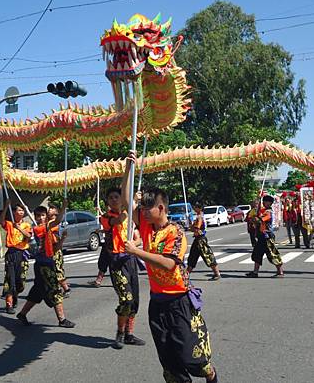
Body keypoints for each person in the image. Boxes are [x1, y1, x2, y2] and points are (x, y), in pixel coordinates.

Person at [122, 151, 218, 383]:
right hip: (158, 301)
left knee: (190, 356)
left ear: (161, 208)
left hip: (179, 302)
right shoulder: (146, 225)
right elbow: (126, 201)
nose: (143, 212)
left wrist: (136, 251)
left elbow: (167, 264)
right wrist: (128, 169)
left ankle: (210, 374)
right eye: (142, 209)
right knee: (168, 359)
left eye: (148, 208)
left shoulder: (175, 231)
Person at [98, 187, 145, 349]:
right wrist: (133, 201)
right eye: (110, 197)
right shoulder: (105, 217)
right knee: (126, 299)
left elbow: (139, 239)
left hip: (130, 260)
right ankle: (120, 332)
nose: (113, 200)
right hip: (116, 263)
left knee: (135, 302)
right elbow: (117, 221)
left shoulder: (130, 219)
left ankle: (129, 334)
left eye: (116, 197)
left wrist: (133, 245)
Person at [16, 202, 75, 328]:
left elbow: (56, 249)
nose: (40, 218)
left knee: (37, 292)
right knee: (54, 291)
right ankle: (62, 319)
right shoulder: (39, 229)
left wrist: (63, 238)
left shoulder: (48, 230)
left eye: (43, 215)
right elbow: (57, 221)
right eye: (38, 216)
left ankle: (22, 314)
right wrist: (63, 207)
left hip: (47, 263)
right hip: (44, 266)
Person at [0, 201, 32, 314]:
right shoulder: (9, 224)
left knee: (20, 282)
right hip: (11, 253)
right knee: (10, 280)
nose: (21, 212)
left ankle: (15, 295)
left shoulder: (27, 225)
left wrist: (18, 228)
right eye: (19, 210)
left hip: (22, 254)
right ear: (13, 212)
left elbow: (28, 236)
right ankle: (9, 304)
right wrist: (5, 206)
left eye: (22, 210)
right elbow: (1, 221)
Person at [246, 195, 284, 278]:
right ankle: (255, 272)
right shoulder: (262, 211)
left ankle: (280, 272)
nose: (264, 203)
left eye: (266, 201)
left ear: (270, 203)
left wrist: (255, 217)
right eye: (263, 201)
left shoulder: (269, 212)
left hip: (267, 237)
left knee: (272, 254)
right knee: (257, 254)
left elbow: (260, 220)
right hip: (261, 236)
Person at [187, 202, 221, 281]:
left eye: (195, 207)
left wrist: (190, 228)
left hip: (201, 240)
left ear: (199, 208)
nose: (194, 209)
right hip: (198, 239)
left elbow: (196, 229)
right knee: (192, 256)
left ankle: (217, 273)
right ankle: (186, 274)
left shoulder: (200, 217)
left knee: (208, 256)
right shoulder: (200, 216)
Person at [48, 202, 71, 298]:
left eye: (51, 208)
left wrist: (63, 207)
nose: (49, 210)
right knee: (54, 271)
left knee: (58, 271)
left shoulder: (55, 223)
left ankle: (66, 289)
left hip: (56, 249)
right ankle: (59, 289)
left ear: (56, 212)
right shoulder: (48, 222)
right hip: (50, 249)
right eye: (49, 208)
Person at [88, 205, 111, 288]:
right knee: (102, 262)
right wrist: (99, 210)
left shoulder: (116, 218)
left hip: (116, 245)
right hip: (107, 244)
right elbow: (104, 218)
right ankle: (98, 280)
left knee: (115, 264)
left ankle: (120, 282)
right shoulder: (105, 216)